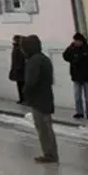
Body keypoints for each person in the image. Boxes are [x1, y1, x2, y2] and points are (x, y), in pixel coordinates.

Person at [22, 34, 59, 164]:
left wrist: (26, 93)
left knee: (43, 128)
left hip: (38, 99)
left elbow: (31, 81)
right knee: (47, 127)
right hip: (46, 96)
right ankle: (51, 152)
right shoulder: (44, 58)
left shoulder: (34, 61)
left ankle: (49, 154)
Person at [62, 32, 88, 121]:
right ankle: (79, 112)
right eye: (75, 40)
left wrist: (86, 65)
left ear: (82, 41)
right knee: (77, 96)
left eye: (77, 41)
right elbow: (65, 56)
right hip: (76, 76)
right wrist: (70, 47)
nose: (76, 42)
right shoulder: (72, 49)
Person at [8, 34, 27, 105]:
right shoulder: (16, 48)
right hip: (18, 70)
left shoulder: (19, 48)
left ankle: (24, 99)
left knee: (22, 85)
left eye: (14, 39)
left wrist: (18, 67)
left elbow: (20, 59)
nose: (13, 41)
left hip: (20, 70)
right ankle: (22, 99)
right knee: (20, 85)